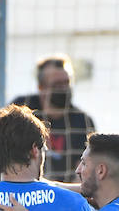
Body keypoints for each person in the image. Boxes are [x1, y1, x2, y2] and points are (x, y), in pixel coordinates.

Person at [11, 54, 96, 183]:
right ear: (41, 87)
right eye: (57, 85)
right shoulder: (22, 109)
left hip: (64, 191)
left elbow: (84, 171)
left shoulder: (82, 121)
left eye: (66, 83)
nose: (63, 88)